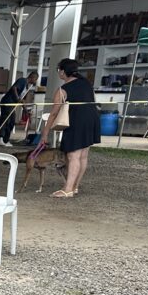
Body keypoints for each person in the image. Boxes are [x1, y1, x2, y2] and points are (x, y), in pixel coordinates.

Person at [40, 59, 100, 198]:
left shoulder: (63, 89)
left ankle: (68, 189)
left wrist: (45, 133)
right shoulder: (86, 83)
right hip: (92, 119)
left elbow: (54, 113)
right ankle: (74, 186)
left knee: (73, 156)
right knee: (83, 156)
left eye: (58, 70)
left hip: (77, 121)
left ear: (62, 71)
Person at [0, 72, 39, 147]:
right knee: (6, 120)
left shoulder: (27, 87)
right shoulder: (22, 80)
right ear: (32, 77)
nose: (35, 81)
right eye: (36, 79)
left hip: (12, 104)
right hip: (8, 102)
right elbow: (14, 88)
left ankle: (6, 140)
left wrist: (25, 110)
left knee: (12, 121)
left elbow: (22, 100)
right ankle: (0, 138)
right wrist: (17, 98)